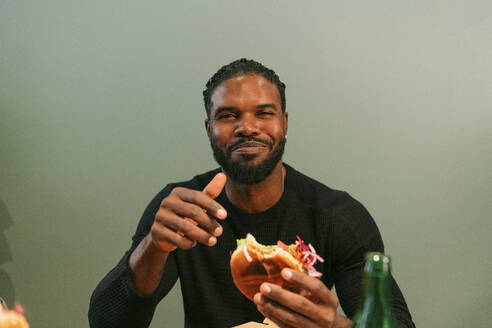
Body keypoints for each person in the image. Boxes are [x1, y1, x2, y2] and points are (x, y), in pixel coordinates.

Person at [88, 58, 415, 328]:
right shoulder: (183, 209)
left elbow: (396, 323)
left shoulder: (337, 215)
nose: (247, 127)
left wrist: (334, 326)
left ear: (284, 124)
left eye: (264, 113)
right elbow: (106, 323)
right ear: (209, 129)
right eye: (228, 115)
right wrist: (153, 247)